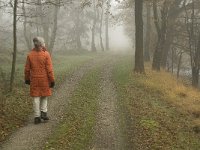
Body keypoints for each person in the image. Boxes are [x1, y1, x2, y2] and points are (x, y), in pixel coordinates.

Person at [24, 37, 55, 124]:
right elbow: (50, 69)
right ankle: (44, 114)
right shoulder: (46, 54)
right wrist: (52, 80)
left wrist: (27, 79)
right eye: (44, 42)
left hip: (34, 79)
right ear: (41, 44)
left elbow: (27, 69)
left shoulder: (30, 55)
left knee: (36, 98)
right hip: (44, 79)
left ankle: (37, 117)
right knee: (44, 96)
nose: (45, 43)